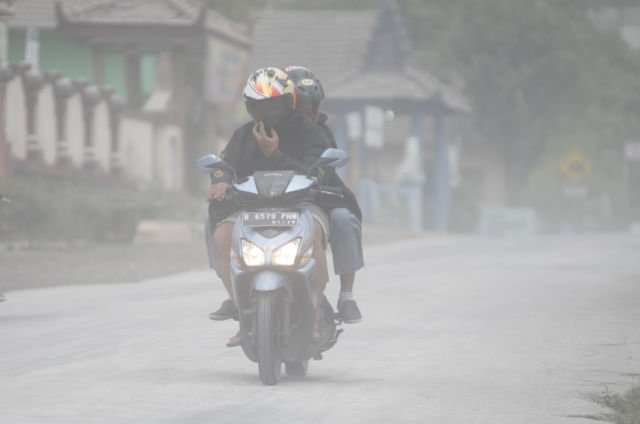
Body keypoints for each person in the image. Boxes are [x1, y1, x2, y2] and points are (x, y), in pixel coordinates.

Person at [207, 67, 334, 346]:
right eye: (261, 106)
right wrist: (221, 181)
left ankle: (314, 318)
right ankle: (240, 310)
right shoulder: (243, 135)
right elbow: (223, 164)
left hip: (302, 207)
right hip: (249, 209)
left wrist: (273, 154)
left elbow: (318, 172)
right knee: (220, 237)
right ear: (251, 108)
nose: (270, 113)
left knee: (315, 234)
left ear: (290, 102)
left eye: (275, 104)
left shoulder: (311, 133)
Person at [284, 65, 364, 324]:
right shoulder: (262, 129)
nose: (308, 112)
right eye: (301, 106)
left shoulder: (321, 133)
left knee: (343, 219)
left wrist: (314, 181)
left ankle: (347, 296)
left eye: (312, 105)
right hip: (270, 200)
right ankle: (238, 298)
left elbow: (324, 169)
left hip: (318, 199)